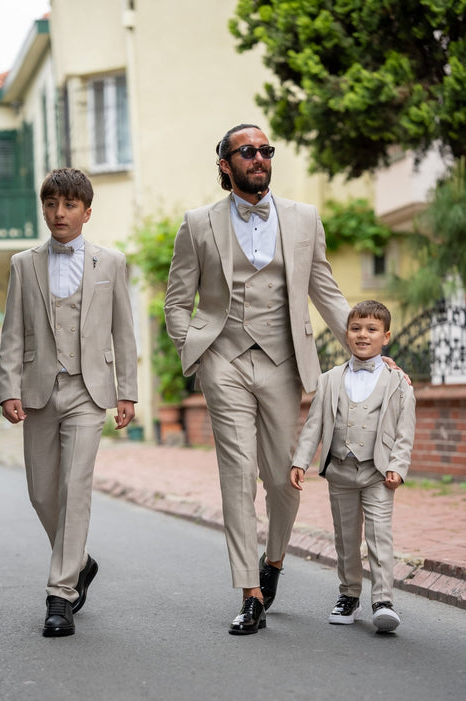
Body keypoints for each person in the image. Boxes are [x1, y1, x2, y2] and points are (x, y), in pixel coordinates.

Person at [164, 123, 352, 635]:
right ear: (225, 164)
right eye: (247, 151)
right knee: (238, 472)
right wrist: (195, 353)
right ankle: (249, 591)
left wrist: (370, 350)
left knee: (282, 477)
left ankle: (273, 562)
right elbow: (177, 302)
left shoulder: (304, 219)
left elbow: (327, 293)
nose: (259, 158)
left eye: (265, 150)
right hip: (223, 360)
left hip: (283, 361)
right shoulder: (198, 224)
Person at [0, 168, 138, 637]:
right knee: (42, 492)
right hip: (38, 390)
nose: (59, 213)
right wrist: (8, 387)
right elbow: (12, 334)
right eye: (52, 204)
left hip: (89, 390)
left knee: (75, 488)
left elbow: (124, 331)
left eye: (70, 205)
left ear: (87, 212)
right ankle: (80, 560)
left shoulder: (111, 263)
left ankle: (60, 594)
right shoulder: (23, 263)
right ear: (44, 208)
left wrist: (127, 391)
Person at [290, 300, 416, 632]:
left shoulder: (398, 382)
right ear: (346, 334)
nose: (363, 335)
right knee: (345, 538)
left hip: (378, 472)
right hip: (341, 471)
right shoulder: (330, 379)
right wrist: (301, 461)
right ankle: (348, 595)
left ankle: (383, 600)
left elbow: (405, 430)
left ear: (385, 336)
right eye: (356, 328)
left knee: (379, 536)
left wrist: (398, 467)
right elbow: (314, 424)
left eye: (372, 329)